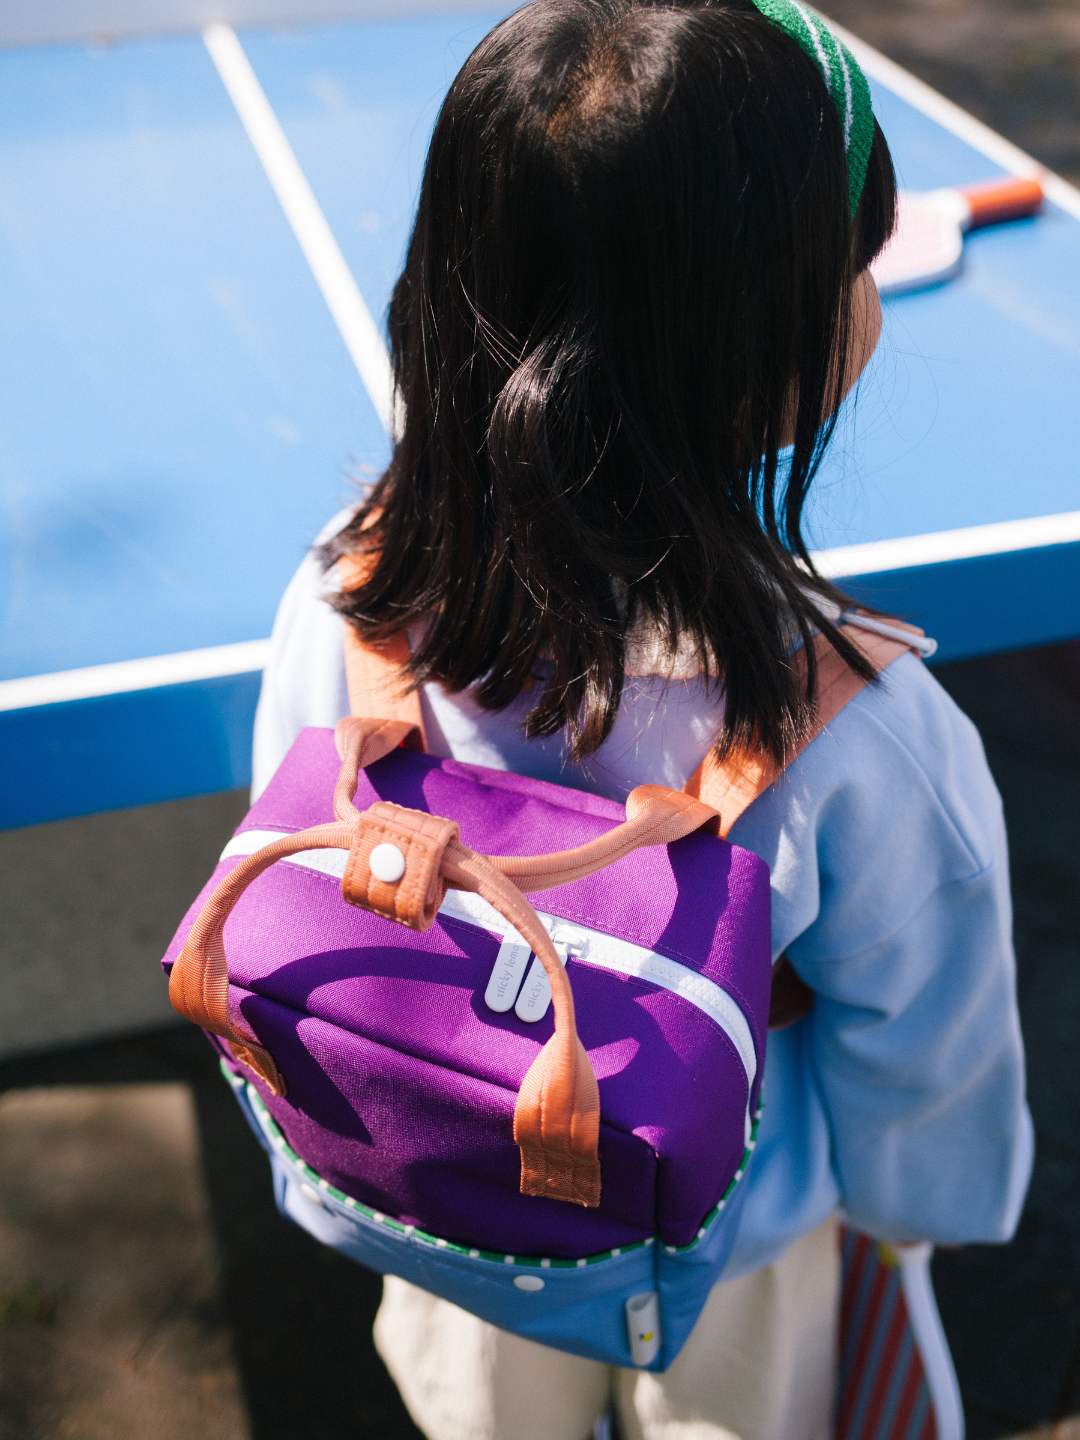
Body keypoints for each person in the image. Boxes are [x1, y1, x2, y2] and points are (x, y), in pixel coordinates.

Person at [251, 2, 1032, 1437]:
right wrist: (919, 1224)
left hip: (442, 1200)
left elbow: (298, 865)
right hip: (741, 1247)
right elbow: (926, 1064)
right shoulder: (866, 739)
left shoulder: (343, 594)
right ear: (788, 348)